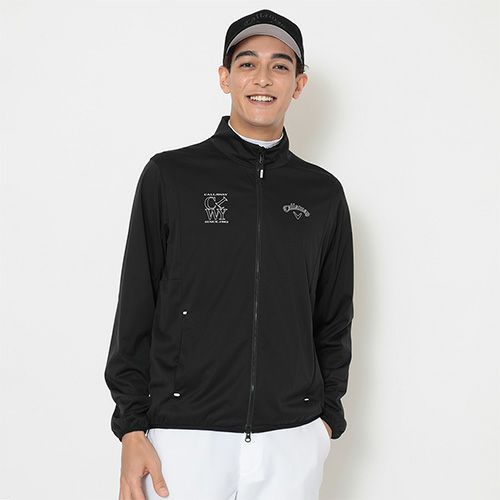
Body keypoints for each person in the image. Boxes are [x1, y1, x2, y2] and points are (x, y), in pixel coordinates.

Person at [104, 8, 354, 500]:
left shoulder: (323, 193)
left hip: (291, 439)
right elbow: (135, 306)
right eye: (247, 64)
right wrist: (131, 426)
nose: (263, 78)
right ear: (225, 77)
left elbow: (333, 316)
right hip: (184, 437)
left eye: (280, 66)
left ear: (299, 84)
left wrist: (325, 418)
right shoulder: (171, 176)